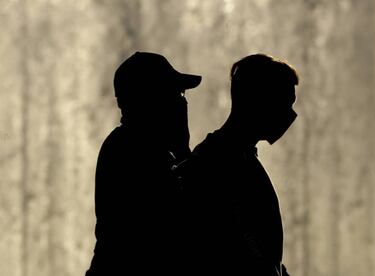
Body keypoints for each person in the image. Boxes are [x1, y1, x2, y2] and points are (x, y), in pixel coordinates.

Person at [175, 54, 298, 276]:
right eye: (285, 103)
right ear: (261, 100)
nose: (290, 115)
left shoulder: (234, 155)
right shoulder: (218, 159)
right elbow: (232, 237)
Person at [86, 52, 201, 275]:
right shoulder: (134, 152)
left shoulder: (137, 147)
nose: (183, 102)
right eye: (177, 92)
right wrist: (182, 148)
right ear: (152, 99)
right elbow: (189, 218)